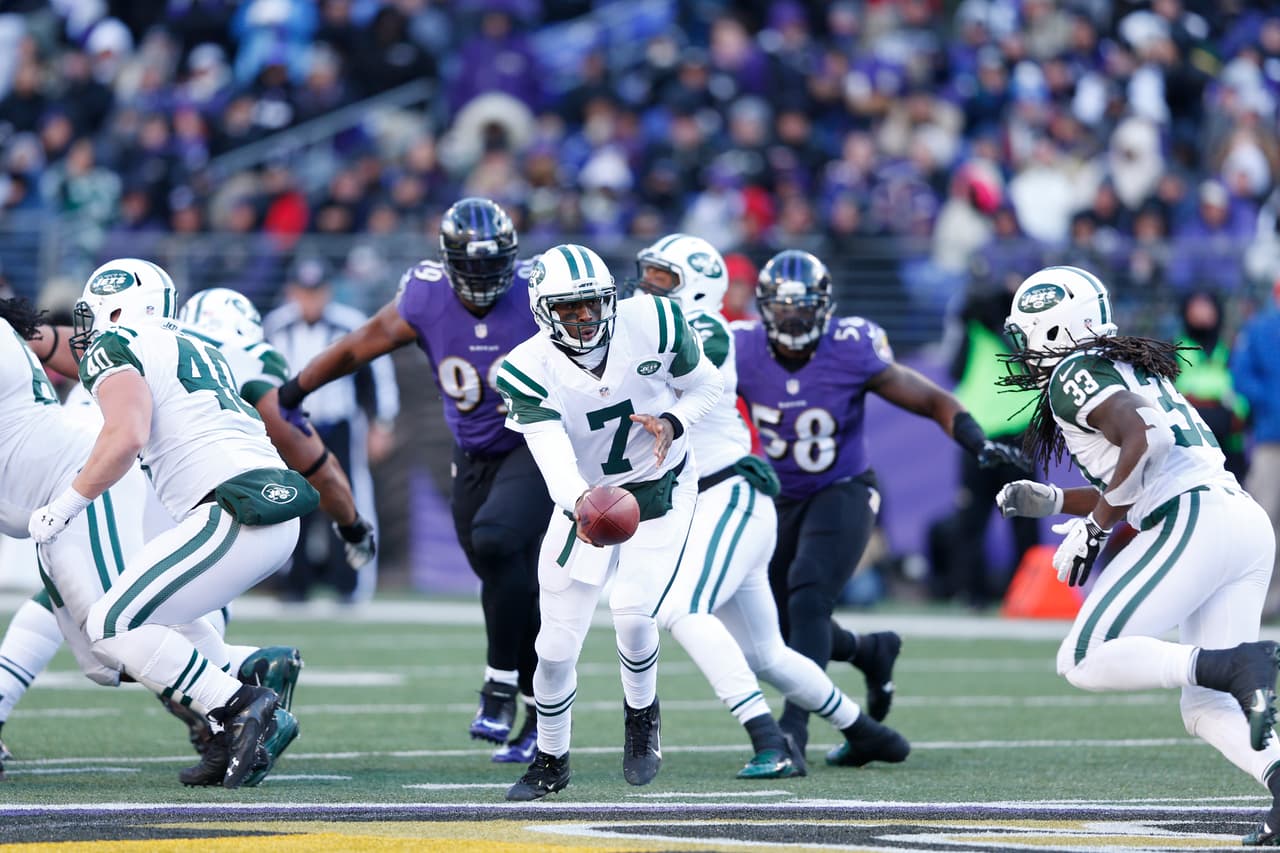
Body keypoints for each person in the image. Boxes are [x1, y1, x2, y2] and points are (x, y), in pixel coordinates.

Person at [995, 265, 1280, 847]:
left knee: (1083, 657)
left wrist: (1096, 527)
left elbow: (1146, 441)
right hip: (1235, 519)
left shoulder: (1073, 370)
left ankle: (1229, 664)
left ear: (1053, 329)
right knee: (1204, 708)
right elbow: (1145, 462)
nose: (1021, 351)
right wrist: (1056, 500)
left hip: (1193, 518)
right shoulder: (1118, 364)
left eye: (1026, 335)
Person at [275, 198, 551, 762]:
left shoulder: (537, 296)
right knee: (504, 580)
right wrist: (292, 392)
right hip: (472, 453)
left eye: (490, 265)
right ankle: (540, 711)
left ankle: (499, 689)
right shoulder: (425, 297)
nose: (480, 280)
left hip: (536, 442)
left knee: (500, 545)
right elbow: (357, 346)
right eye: (468, 268)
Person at [28, 258, 315, 789]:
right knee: (177, 625)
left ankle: (242, 705)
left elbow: (125, 436)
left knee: (111, 625)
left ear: (117, 304)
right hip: (255, 502)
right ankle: (241, 696)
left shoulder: (117, 345)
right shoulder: (197, 344)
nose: (88, 326)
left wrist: (62, 506)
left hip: (232, 508)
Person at [733, 249, 1026, 767]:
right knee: (773, 628)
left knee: (807, 600)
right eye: (782, 308)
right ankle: (868, 651)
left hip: (841, 488)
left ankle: (792, 734)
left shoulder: (851, 348)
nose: (793, 318)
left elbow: (932, 399)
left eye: (804, 308)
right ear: (764, 309)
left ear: (825, 309)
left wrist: (977, 443)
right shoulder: (740, 347)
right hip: (778, 495)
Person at [633, 233, 909, 779]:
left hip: (729, 493)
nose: (647, 287)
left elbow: (662, 376)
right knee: (768, 652)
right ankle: (867, 732)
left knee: (681, 610)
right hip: (711, 499)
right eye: (648, 274)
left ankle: (774, 740)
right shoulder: (655, 331)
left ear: (696, 289)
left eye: (663, 280)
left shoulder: (706, 332)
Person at [497, 243, 724, 800]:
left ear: (611, 300)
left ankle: (642, 715)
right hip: (586, 501)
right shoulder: (526, 368)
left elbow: (707, 385)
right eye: (569, 308)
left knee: (632, 614)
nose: (583, 318)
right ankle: (551, 759)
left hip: (660, 485)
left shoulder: (656, 321)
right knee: (551, 649)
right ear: (542, 309)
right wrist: (583, 503)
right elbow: (552, 457)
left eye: (592, 305)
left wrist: (672, 419)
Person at [263, 256, 399, 604]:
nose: (309, 300)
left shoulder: (349, 324)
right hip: (291, 427)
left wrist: (380, 423)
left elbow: (376, 374)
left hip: (339, 424)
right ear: (292, 291)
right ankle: (295, 583)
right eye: (303, 292)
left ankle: (351, 582)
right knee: (292, 502)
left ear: (328, 292)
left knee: (349, 499)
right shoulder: (276, 325)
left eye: (316, 292)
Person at [928, 275, 1037, 608]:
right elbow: (956, 369)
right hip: (983, 437)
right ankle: (975, 591)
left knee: (1019, 521)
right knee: (975, 518)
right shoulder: (977, 333)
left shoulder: (1024, 336)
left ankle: (1017, 593)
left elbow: (955, 373)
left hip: (1012, 435)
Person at [1231, 279, 1280, 620]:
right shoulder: (1261, 329)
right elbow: (1241, 376)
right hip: (1271, 440)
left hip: (1270, 433)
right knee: (1263, 522)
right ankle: (1260, 600)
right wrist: (1272, 405)